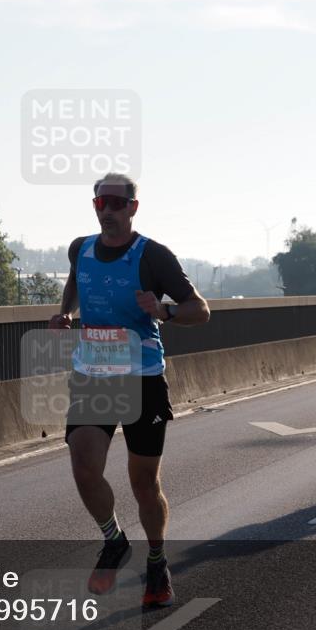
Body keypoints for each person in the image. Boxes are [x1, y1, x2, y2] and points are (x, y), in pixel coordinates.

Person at [48, 173, 210, 607]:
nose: (108, 210)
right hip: (92, 373)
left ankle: (156, 560)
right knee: (84, 465)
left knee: (143, 483)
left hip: (141, 378)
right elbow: (76, 281)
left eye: (117, 203)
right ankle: (114, 540)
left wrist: (165, 310)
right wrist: (65, 313)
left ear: (133, 208)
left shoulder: (153, 256)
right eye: (101, 202)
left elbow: (201, 310)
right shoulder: (79, 248)